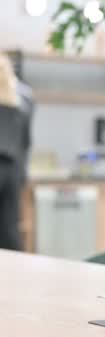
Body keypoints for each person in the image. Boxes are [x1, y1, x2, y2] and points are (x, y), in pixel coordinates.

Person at [0, 53, 32, 250]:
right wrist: (22, 173)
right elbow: (26, 141)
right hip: (14, 169)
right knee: (10, 228)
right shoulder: (24, 98)